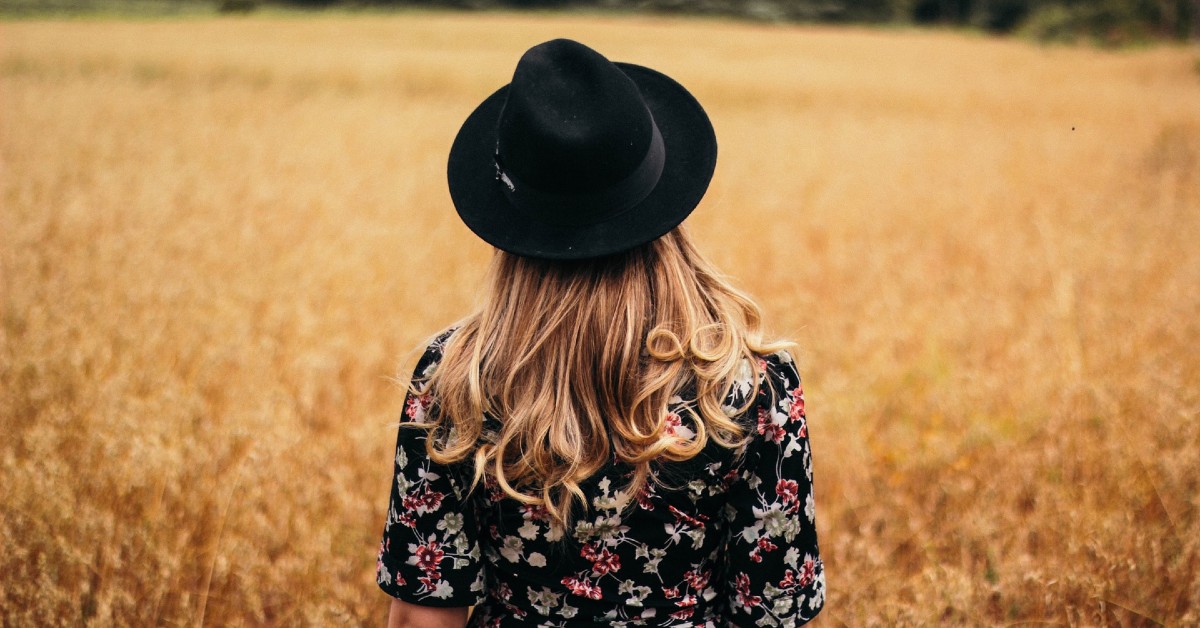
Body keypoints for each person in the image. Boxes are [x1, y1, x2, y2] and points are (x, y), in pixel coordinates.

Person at [376, 38, 824, 627]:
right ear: (661, 196)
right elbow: (779, 613)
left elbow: (424, 617)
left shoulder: (454, 376)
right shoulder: (748, 384)